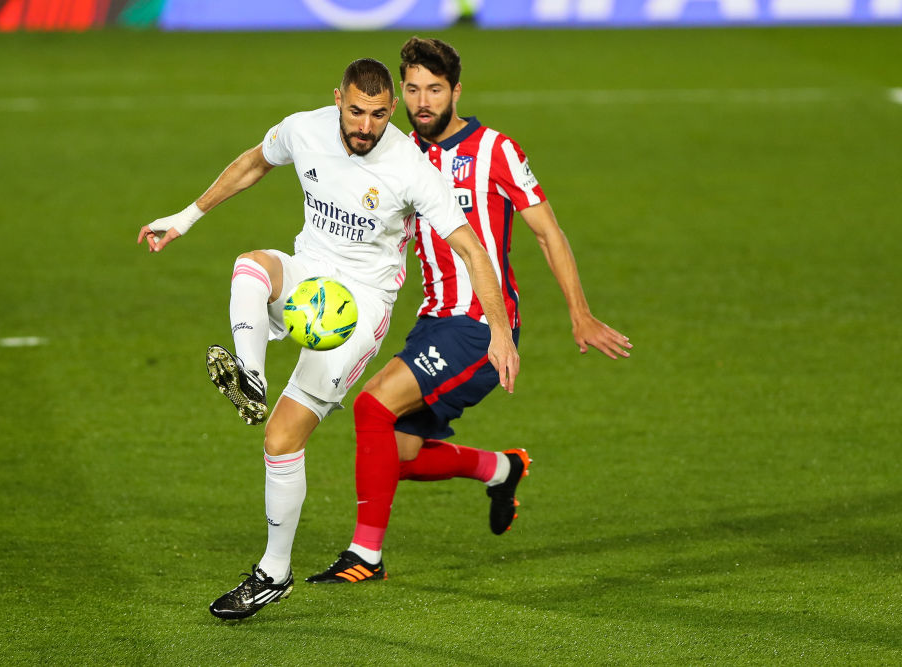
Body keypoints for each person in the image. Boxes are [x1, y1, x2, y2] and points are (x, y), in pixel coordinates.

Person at [136, 58, 519, 620]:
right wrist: (185, 217)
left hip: (360, 306)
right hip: (310, 275)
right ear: (337, 98)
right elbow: (254, 162)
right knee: (250, 266)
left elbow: (471, 248)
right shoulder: (304, 128)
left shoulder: (410, 167)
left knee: (281, 438)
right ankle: (252, 377)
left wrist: (500, 332)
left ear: (392, 110)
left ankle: (272, 570)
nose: (366, 126)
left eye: (379, 115)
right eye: (357, 111)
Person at [306, 38, 631, 584]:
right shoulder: (399, 152)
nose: (423, 101)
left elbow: (548, 232)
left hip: (480, 326)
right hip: (432, 322)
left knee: (371, 408)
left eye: (435, 89)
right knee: (396, 454)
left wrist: (580, 312)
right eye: (413, 89)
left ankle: (365, 557)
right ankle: (501, 469)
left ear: (456, 91)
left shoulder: (495, 150)